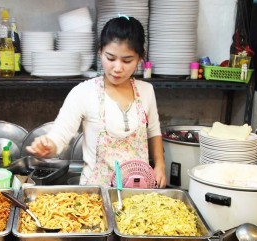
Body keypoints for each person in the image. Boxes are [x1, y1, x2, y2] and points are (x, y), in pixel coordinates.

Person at [26, 15, 167, 187]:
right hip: (96, 193)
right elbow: (61, 134)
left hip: (138, 194)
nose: (117, 68)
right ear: (100, 52)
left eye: (127, 60)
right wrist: (49, 146)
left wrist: (160, 165)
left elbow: (153, 131)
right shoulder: (84, 92)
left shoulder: (146, 91)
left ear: (140, 58)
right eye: (110, 58)